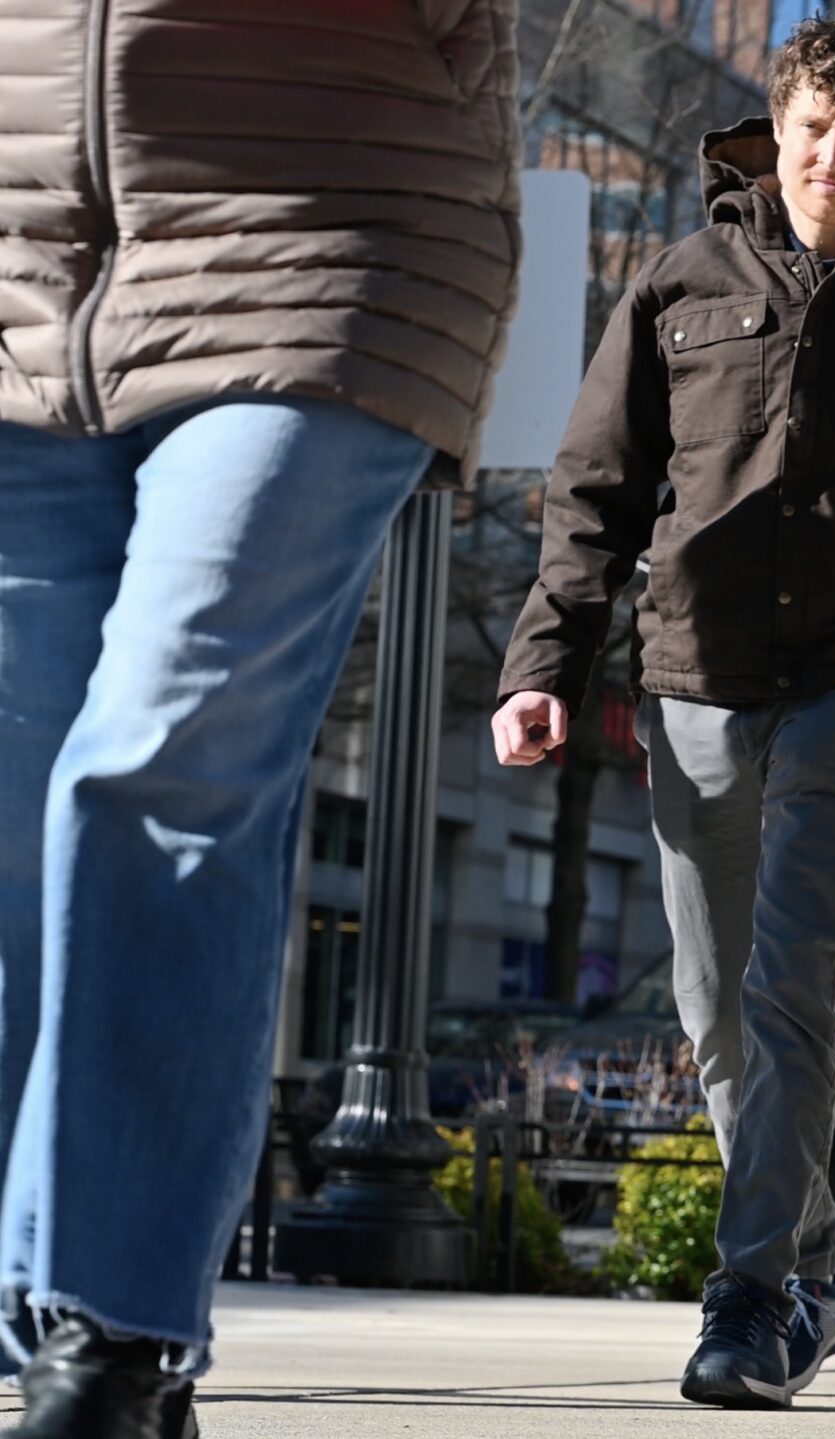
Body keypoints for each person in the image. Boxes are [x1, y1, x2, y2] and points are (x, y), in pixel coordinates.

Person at [492, 18, 835, 1408]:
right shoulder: (680, 282)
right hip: (695, 670)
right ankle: (815, 1261)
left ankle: (749, 1300)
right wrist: (543, 665)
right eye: (813, 128)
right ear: (776, 125)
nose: (833, 155)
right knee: (713, 1004)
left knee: (791, 977)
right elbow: (595, 492)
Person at [0, 7, 520, 1435]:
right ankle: (33, 1305)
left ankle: (114, 1324)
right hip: (24, 256)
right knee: (16, 817)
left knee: (160, 755)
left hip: (318, 239)